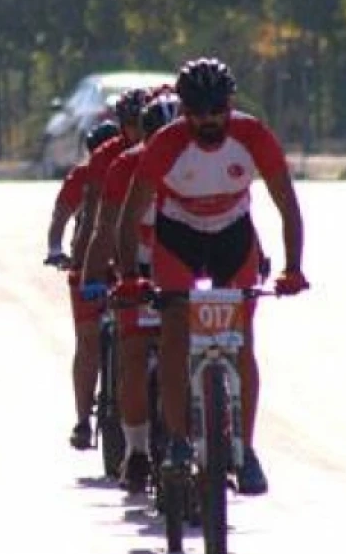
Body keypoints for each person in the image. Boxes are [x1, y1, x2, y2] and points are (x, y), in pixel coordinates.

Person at [104, 57, 309, 495]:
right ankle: (177, 442)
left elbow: (287, 204)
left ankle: (247, 449)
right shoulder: (167, 142)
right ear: (184, 111)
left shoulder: (253, 136)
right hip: (178, 238)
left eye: (216, 111)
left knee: (243, 342)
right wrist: (128, 277)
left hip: (233, 239)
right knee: (176, 329)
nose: (208, 121)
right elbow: (130, 215)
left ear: (229, 105)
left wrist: (293, 267)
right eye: (197, 113)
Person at [79, 91, 181, 492]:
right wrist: (94, 278)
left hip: (186, 267)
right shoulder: (125, 167)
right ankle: (136, 450)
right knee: (133, 353)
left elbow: (231, 214)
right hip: (136, 266)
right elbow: (104, 229)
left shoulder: (196, 163)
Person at [43, 87, 150, 451]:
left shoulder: (158, 154)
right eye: (129, 125)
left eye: (141, 123)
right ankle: (83, 419)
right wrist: (63, 252)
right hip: (94, 258)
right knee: (88, 340)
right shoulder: (99, 164)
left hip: (133, 260)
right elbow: (75, 217)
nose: (136, 131)